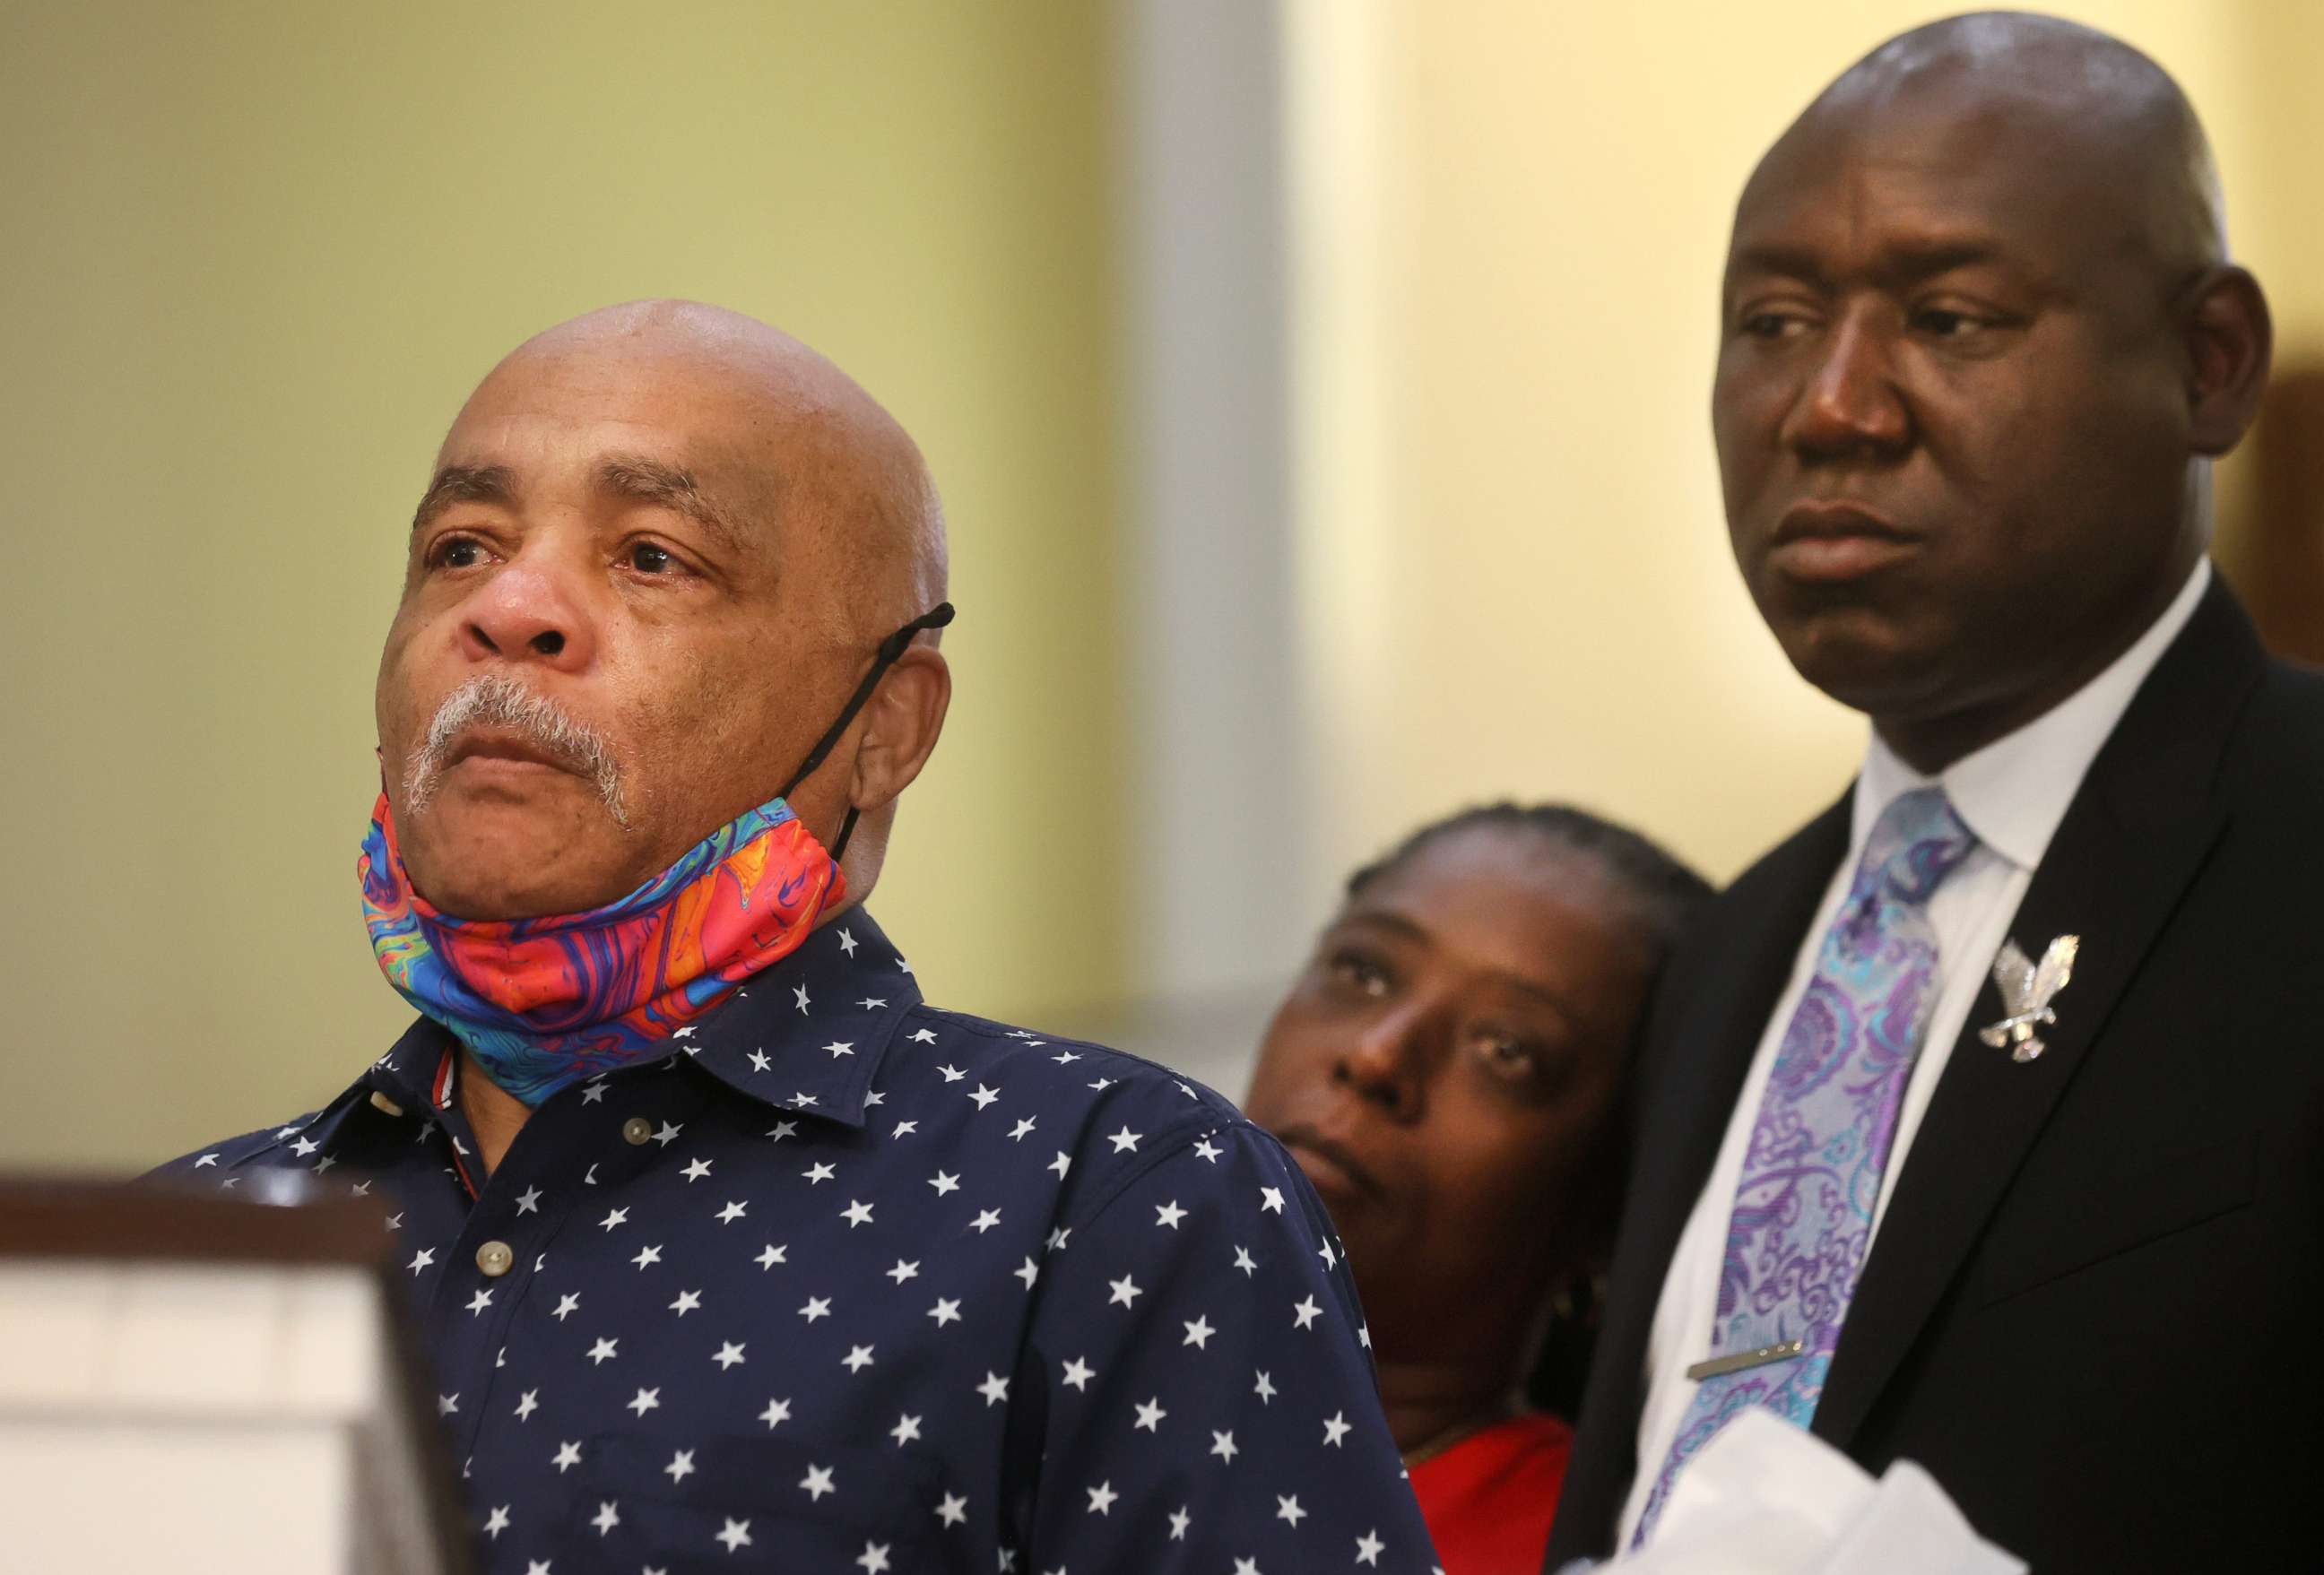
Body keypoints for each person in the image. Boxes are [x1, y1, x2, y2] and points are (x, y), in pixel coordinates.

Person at [154, 300, 1436, 1574]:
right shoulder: (174, 1253)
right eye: (460, 548)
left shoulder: (1115, 1201)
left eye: (653, 556)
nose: (510, 608)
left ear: (885, 727)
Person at [1543, 14, 2322, 1571]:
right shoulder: (1730, 954)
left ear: (2206, 362)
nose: (1829, 407)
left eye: (1950, 319)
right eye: (1770, 320)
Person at [1243, 804, 1710, 1575]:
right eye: (1363, 971)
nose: (1376, 1054)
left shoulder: (1591, 1553)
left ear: (1606, 1214)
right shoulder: (1030, 1397)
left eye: (1506, 1048)